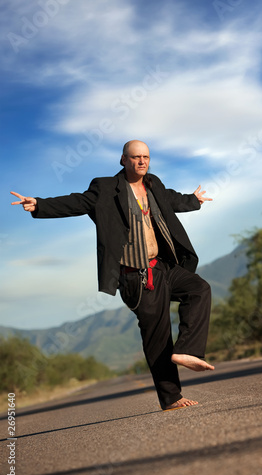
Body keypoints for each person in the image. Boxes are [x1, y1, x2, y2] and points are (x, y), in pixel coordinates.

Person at [11, 140, 214, 410]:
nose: (142, 161)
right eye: (135, 157)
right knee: (157, 336)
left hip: (162, 266)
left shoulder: (154, 184)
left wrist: (194, 200)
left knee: (199, 289)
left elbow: (172, 200)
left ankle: (187, 349)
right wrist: (38, 205)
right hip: (136, 276)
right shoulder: (105, 188)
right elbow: (77, 202)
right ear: (123, 160)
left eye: (146, 157)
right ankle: (172, 398)